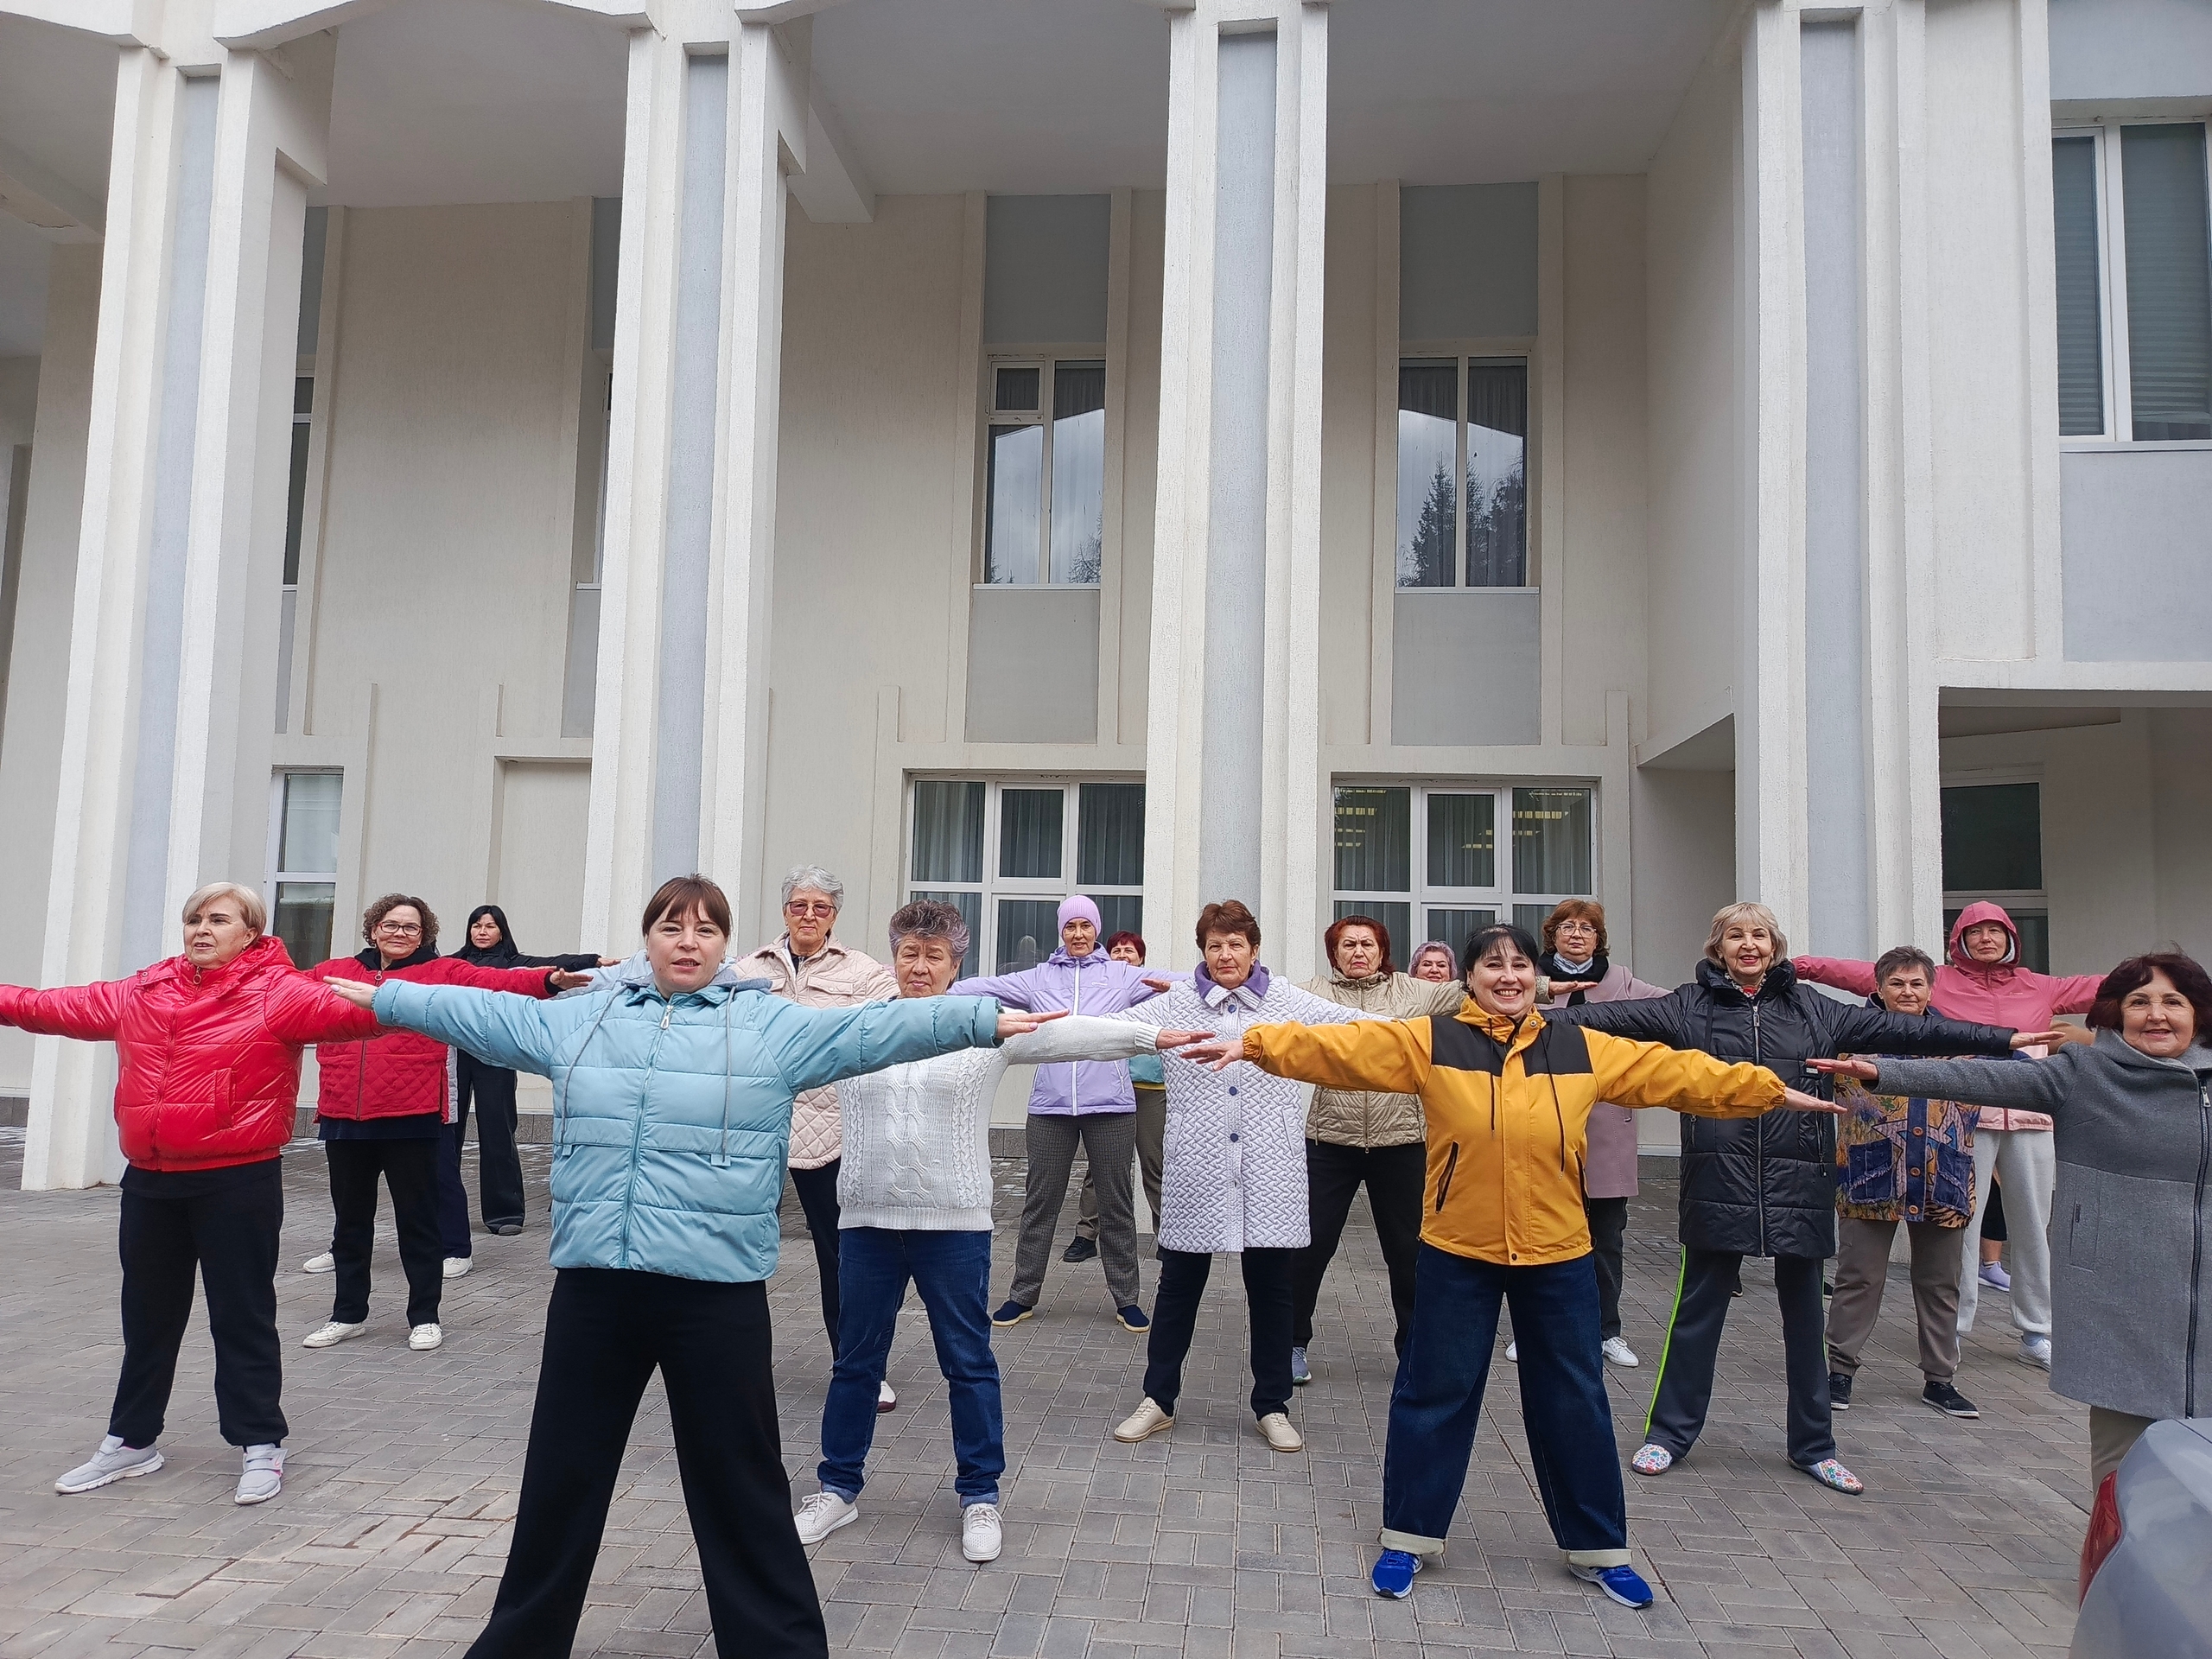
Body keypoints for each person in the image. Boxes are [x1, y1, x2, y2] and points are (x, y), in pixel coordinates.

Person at [322, 874, 1058, 1659]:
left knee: (740, 1483)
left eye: (706, 930)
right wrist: (382, 998)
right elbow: (478, 1009)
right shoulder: (586, 1017)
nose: (688, 941)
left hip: (716, 1294)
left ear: (724, 946)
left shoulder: (770, 1025)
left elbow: (878, 1036)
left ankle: (776, 1645)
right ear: (649, 937)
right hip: (595, 1289)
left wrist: (979, 1019)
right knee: (561, 1480)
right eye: (672, 926)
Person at [1183, 922, 1841, 1608]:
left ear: (1536, 977)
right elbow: (1345, 1048)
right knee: (1432, 1396)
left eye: (1520, 965)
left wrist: (1765, 1089)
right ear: (1467, 979)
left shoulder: (1580, 1045)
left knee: (1575, 1400)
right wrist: (1254, 1044)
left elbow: (1675, 1073)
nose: (1507, 976)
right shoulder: (1432, 1041)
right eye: (1491, 965)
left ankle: (1597, 1548)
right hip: (1456, 1250)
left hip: (1558, 1253)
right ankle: (1409, 1537)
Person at [1548, 902, 2043, 1492]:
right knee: (1696, 1317)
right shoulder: (1688, 1005)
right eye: (1735, 935)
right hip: (1717, 1180)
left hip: (1801, 1182)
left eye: (1759, 934)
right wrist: (1512, 1017)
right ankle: (1668, 1435)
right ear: (1718, 947)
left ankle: (1814, 1445)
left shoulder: (1813, 1008)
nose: (1748, 944)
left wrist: (2001, 1037)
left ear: (1775, 946)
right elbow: (1607, 1020)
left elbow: (1912, 1028)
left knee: (1806, 1320)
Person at [791, 899, 1206, 1564]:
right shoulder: (857, 1029)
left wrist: (1153, 1039)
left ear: (957, 966)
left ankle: (979, 1495)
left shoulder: (983, 1030)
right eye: (909, 954)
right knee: (856, 1364)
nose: (919, 967)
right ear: (893, 960)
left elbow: (1072, 1034)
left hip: (953, 1225)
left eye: (934, 956)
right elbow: (773, 1036)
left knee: (969, 1362)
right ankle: (837, 1488)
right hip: (867, 1223)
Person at [3, 884, 380, 1507]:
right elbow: (47, 1006)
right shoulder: (144, 990)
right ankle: (132, 1441)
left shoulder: (280, 993)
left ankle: (261, 1443)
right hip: (151, 1181)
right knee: (147, 1320)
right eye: (193, 919)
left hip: (236, 1180)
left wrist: (539, 987)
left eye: (218, 920)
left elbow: (391, 1006)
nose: (201, 929)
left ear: (251, 932)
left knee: (242, 1316)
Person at [1811, 953, 2212, 1539]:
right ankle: (2114, 1581)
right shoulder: (2086, 1072)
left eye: (2172, 1002)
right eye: (2139, 1003)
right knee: (2122, 1479)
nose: (2156, 1015)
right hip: (2120, 1303)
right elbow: (1986, 1078)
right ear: (2114, 1015)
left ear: (2198, 1013)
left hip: (2201, 1304)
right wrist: (1885, 1073)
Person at [1796, 903, 2111, 1370]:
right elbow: (1861, 973)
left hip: (2029, 1117)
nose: (1986, 939)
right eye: (1976, 931)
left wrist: (2160, 985)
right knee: (1955, 1235)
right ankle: (1953, 1332)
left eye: (1996, 931)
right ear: (1958, 938)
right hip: (1964, 1123)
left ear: (2011, 938)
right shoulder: (1935, 980)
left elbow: (2108, 990)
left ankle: (2036, 1330)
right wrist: (1795, 965)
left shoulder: (2040, 985)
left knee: (2033, 1228)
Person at [1108, 899, 1371, 1456]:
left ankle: (1272, 1404)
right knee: (1179, 1288)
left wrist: (1448, 1034)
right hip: (1197, 1170)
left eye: (1236, 945)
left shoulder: (1286, 1003)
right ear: (1201, 951)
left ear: (1254, 949)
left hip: (1269, 1171)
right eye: (1214, 946)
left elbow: (1362, 1029)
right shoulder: (1174, 1003)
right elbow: (1109, 1033)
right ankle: (1158, 1399)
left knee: (1273, 1291)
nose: (1225, 956)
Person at [298, 896, 572, 1355]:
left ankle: (424, 1315)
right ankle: (347, 1314)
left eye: (411, 927)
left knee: (418, 1223)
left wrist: (549, 979)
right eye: (391, 925)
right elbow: (281, 990)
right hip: (344, 1116)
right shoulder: (339, 969)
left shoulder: (443, 972)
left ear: (424, 933)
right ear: (373, 929)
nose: (400, 933)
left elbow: (497, 981)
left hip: (412, 1117)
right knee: (350, 1224)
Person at [954, 896, 1161, 1331]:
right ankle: (1022, 1294)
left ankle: (1127, 1300)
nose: (1079, 934)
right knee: (1040, 1202)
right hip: (1050, 1107)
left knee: (1117, 1203)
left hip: (1112, 1106)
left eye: (1086, 926)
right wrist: (939, 981)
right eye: (1071, 927)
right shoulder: (1038, 978)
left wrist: (1209, 976)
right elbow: (982, 987)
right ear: (1061, 932)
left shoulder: (1121, 975)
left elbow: (1176, 983)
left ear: (1097, 930)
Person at [736, 865, 899, 1409]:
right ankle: (731, 1363)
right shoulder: (748, 968)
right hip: (753, 1125)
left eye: (821, 907)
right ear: (785, 911)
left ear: (834, 915)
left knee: (842, 1256)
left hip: (829, 1130)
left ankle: (859, 1368)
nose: (809, 916)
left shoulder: (864, 972)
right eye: (800, 906)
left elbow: (893, 1021)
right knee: (736, 1247)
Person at [1291, 914, 1464, 1382]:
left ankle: (1414, 1350)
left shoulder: (1412, 992)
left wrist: (1551, 983)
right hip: (1331, 1139)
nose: (1358, 953)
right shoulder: (1314, 994)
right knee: (1309, 1247)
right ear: (1334, 953)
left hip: (1402, 1142)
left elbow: (1476, 992)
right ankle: (1292, 1342)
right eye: (1347, 945)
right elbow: (1259, 992)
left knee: (1408, 1253)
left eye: (1367, 944)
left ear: (1382, 949)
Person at [1820, 946, 1983, 1421]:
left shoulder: (1960, 1039)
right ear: (1879, 988)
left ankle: (1941, 1380)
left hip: (1943, 1180)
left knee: (1940, 1283)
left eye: (1916, 984)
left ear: (1931, 989)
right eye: (1897, 983)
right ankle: (1840, 1371)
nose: (1907, 992)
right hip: (1870, 1177)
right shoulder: (1849, 1039)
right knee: (1859, 1277)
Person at [1526, 899, 1668, 1370]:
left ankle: (1607, 1331)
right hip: (1542, 1122)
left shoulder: (1622, 983)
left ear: (1598, 937)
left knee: (1606, 1238)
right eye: (1566, 927)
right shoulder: (1530, 981)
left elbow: (1673, 1011)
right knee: (1539, 1234)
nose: (1576, 935)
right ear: (1553, 936)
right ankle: (1533, 1332)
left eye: (1587, 928)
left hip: (1607, 1126)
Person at [435, 905, 605, 1264]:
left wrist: (595, 960)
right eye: (476, 926)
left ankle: (505, 1214)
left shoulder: (514, 963)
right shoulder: (452, 964)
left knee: (498, 1130)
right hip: (453, 1056)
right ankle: (442, 1213)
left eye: (490, 926)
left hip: (495, 1054)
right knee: (447, 1135)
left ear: (502, 931)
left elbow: (554, 964)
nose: (482, 932)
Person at [1065, 930, 1167, 1261]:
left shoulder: (1155, 991)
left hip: (1148, 1089)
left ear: (1142, 958)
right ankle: (1086, 1235)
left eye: (1130, 951)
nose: (1123, 955)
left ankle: (1167, 1236)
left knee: (1154, 1164)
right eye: (1117, 950)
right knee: (1101, 1166)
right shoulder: (1101, 993)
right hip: (1108, 1088)